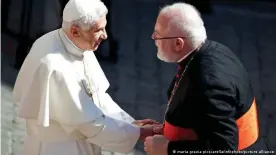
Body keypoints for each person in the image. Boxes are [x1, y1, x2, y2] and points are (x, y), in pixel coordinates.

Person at [12, 0, 155, 155]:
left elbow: (97, 95)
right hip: (59, 148)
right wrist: (137, 133)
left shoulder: (78, 44)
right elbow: (90, 123)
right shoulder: (55, 67)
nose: (105, 35)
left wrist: (129, 123)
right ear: (75, 31)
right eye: (98, 30)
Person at [141, 2, 267, 155]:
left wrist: (169, 149)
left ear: (178, 43)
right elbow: (200, 117)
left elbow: (223, 149)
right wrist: (167, 130)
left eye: (158, 34)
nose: (153, 38)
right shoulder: (207, 51)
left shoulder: (210, 84)